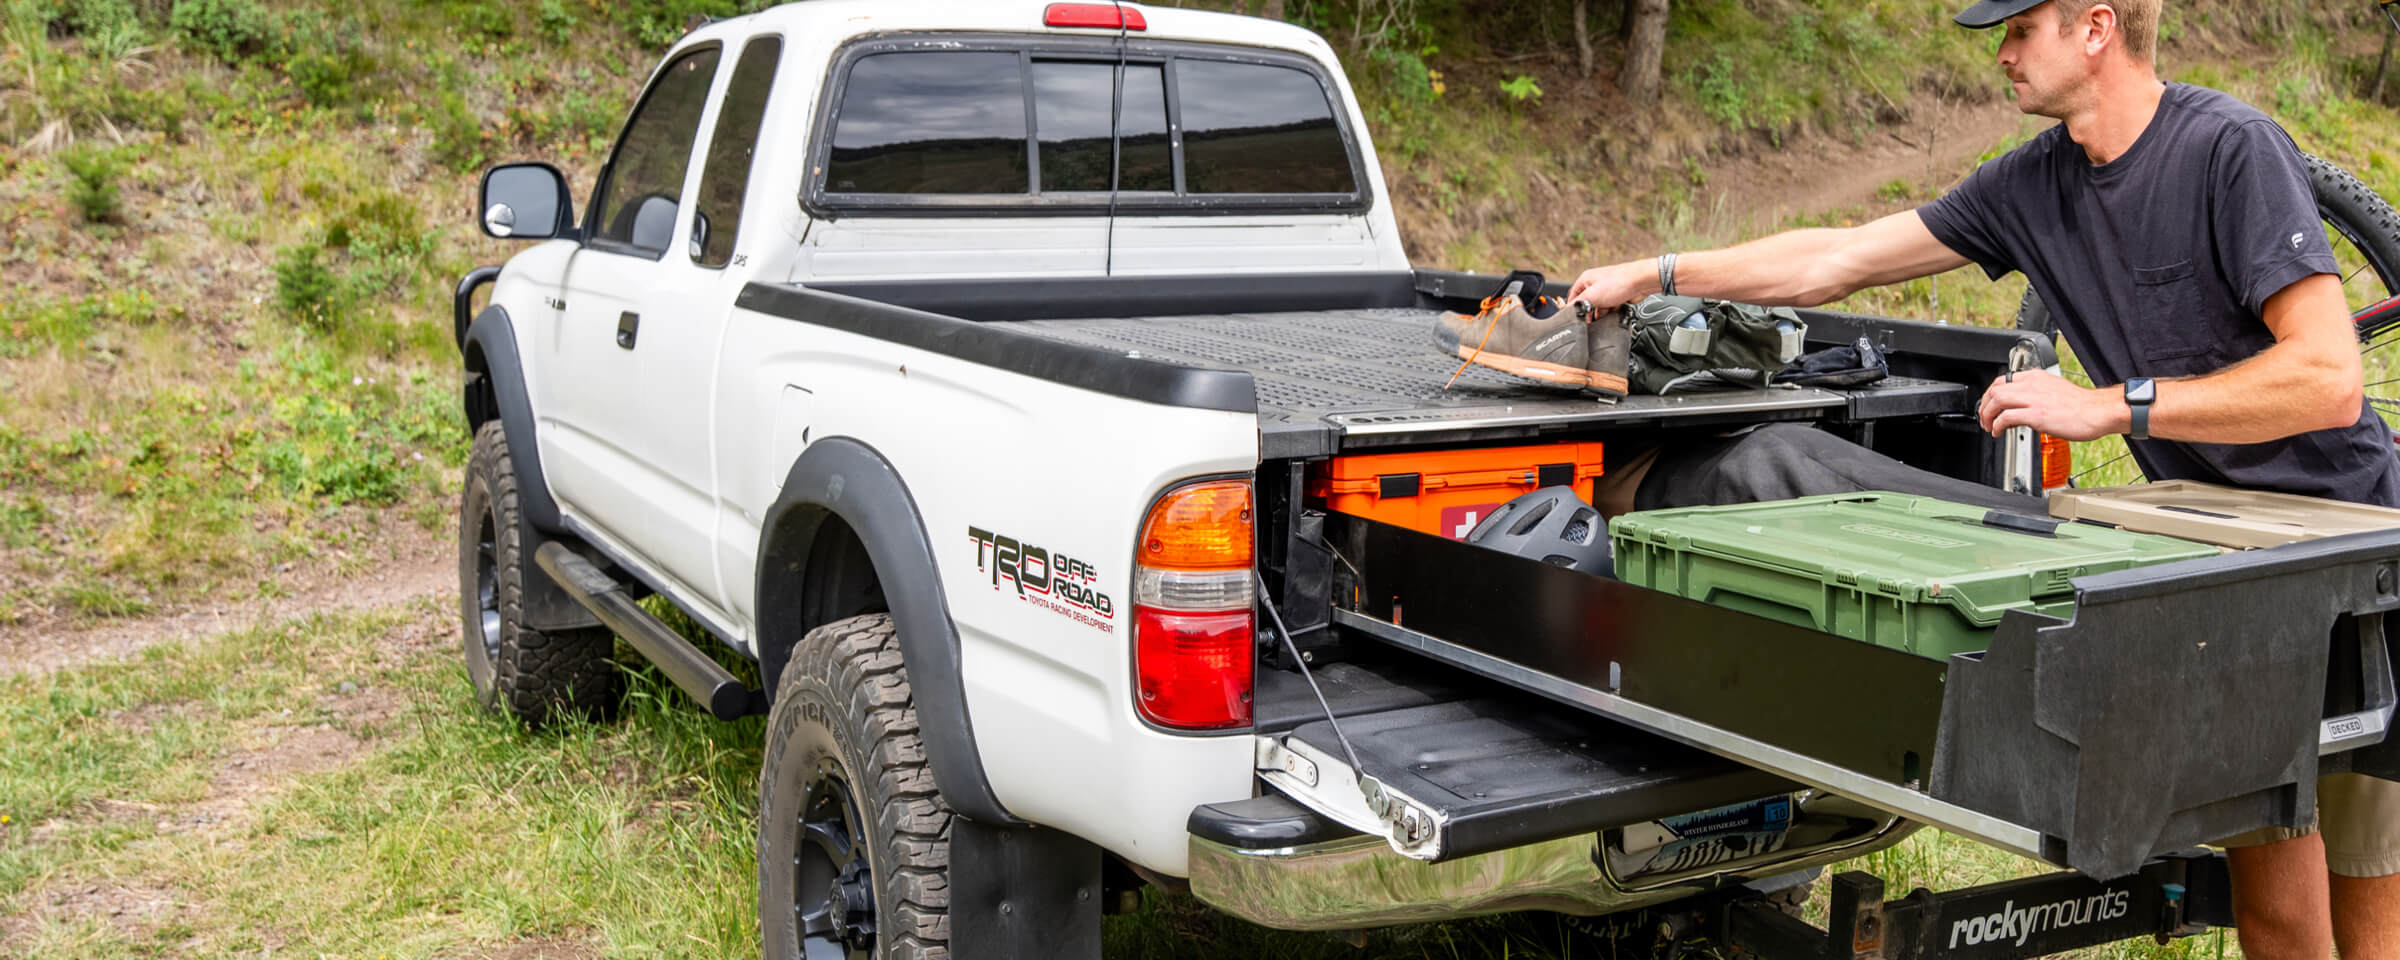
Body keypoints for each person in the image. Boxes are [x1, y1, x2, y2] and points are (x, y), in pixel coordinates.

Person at [1438, 1, 2400, 956]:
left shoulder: (2229, 150)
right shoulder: (2036, 182)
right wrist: (1654, 273)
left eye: (2021, 32)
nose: (2003, 56)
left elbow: (2327, 376)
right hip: (2221, 564)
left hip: (2357, 556)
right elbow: (1837, 257)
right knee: (2276, 914)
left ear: (2096, 28)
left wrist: (2110, 406)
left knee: (2370, 900)